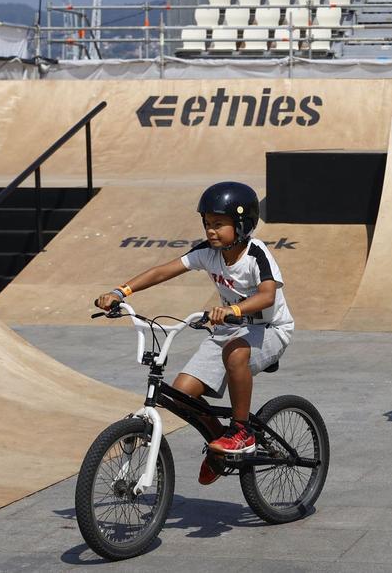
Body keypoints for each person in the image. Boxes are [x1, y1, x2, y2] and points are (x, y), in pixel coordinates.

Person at [94, 182, 293, 485]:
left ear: (242, 225)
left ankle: (241, 431)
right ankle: (218, 449)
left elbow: (267, 296)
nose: (211, 231)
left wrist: (234, 310)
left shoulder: (256, 254)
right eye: (207, 224)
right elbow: (163, 270)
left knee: (236, 353)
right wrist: (120, 292)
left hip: (270, 329)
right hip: (229, 329)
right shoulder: (207, 253)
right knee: (183, 395)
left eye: (218, 225)